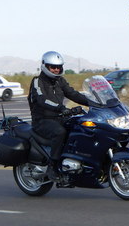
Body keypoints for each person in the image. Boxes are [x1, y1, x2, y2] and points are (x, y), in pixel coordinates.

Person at [28, 51, 89, 180]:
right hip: (42, 120)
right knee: (60, 132)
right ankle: (53, 166)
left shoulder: (60, 81)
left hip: (60, 118)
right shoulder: (37, 82)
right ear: (45, 66)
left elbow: (72, 93)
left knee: (82, 127)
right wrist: (61, 108)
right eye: (53, 67)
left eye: (59, 67)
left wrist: (93, 101)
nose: (56, 70)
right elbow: (41, 99)